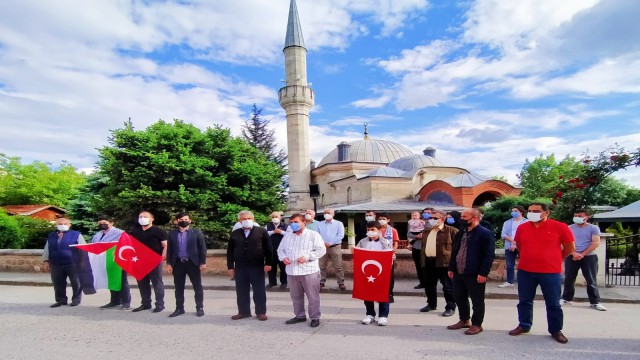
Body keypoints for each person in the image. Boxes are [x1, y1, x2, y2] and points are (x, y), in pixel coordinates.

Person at [509, 203, 575, 344]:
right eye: (530, 211)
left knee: (553, 303)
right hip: (526, 270)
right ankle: (524, 325)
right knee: (525, 301)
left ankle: (556, 330)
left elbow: (570, 247)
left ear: (546, 213)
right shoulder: (523, 227)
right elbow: (519, 245)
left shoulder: (560, 226)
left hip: (550, 272)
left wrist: (557, 258)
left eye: (536, 211)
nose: (532, 213)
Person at [447, 209, 495, 335]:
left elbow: (489, 255)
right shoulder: (461, 232)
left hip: (475, 272)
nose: (461, 219)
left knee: (477, 300)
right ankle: (464, 320)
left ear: (474, 218)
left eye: (464, 217)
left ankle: (477, 324)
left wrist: (483, 273)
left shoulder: (484, 233)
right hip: (459, 271)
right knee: (459, 297)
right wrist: (451, 268)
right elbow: (455, 251)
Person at [277, 213, 326, 328]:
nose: (293, 224)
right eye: (292, 222)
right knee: (296, 296)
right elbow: (280, 250)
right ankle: (299, 316)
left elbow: (321, 250)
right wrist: (283, 258)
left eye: (296, 222)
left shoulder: (313, 235)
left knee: (312, 296)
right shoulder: (288, 236)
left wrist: (308, 257)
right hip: (292, 271)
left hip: (309, 271)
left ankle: (314, 317)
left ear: (304, 222)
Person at [227, 210, 272, 321]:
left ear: (253, 219)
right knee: (241, 290)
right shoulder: (235, 233)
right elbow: (230, 251)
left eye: (249, 218)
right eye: (244, 219)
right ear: (239, 221)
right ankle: (243, 311)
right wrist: (230, 266)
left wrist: (268, 263)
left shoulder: (261, 231)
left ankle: (261, 312)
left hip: (256, 266)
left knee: (259, 290)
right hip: (240, 267)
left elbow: (269, 248)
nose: (246, 221)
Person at [561, 209, 606, 311]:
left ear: (587, 217)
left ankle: (595, 302)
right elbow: (565, 242)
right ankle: (566, 298)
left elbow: (596, 243)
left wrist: (582, 254)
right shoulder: (570, 228)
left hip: (589, 256)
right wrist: (573, 253)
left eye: (580, 216)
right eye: (576, 215)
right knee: (569, 278)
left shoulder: (593, 228)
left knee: (591, 280)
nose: (577, 217)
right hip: (572, 255)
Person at [166, 212, 207, 318]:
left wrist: (203, 262)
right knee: (178, 287)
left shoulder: (196, 232)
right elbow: (169, 250)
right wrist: (169, 263)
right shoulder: (172, 234)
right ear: (177, 221)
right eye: (181, 219)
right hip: (178, 263)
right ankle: (179, 308)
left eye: (185, 219)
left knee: (197, 286)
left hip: (192, 263)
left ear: (189, 220)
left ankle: (199, 308)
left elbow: (202, 248)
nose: (183, 221)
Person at [418, 210, 458, 317]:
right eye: (430, 218)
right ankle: (431, 304)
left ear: (443, 219)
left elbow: (458, 248)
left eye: (435, 218)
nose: (432, 220)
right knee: (429, 285)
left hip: (444, 263)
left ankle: (450, 307)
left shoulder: (452, 231)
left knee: (447, 286)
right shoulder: (426, 231)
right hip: (428, 261)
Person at [42, 216, 86, 307]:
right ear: (56, 225)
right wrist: (46, 261)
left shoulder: (76, 234)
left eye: (65, 224)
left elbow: (83, 248)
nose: (62, 225)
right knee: (58, 283)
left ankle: (76, 300)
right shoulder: (51, 235)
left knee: (76, 282)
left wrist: (83, 261)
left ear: (69, 225)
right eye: (60, 224)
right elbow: (47, 248)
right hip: (56, 263)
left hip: (73, 262)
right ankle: (61, 300)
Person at [356, 221, 394, 326]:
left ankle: (383, 315)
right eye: (368, 230)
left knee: (383, 293)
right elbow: (357, 254)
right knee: (367, 293)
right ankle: (370, 314)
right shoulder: (362, 242)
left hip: (382, 272)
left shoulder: (385, 242)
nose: (370, 232)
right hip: (367, 272)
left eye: (373, 230)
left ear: (379, 230)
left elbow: (391, 255)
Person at [130, 211, 168, 313]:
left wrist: (164, 254)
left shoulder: (158, 231)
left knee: (157, 282)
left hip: (154, 260)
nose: (142, 218)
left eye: (145, 217)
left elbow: (165, 245)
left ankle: (160, 305)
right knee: (142, 283)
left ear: (152, 219)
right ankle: (146, 304)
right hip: (139, 261)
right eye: (140, 217)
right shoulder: (136, 231)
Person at [91, 215, 131, 310]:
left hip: (118, 260)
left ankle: (126, 302)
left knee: (122, 281)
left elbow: (126, 245)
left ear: (111, 223)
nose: (102, 225)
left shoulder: (120, 233)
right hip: (105, 261)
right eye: (100, 223)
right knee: (111, 280)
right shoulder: (97, 235)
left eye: (105, 223)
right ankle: (115, 301)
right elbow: (93, 246)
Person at [317, 208, 346, 290]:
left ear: (333, 214)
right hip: (322, 247)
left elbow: (340, 235)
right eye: (325, 213)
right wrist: (323, 243)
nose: (326, 214)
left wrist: (330, 243)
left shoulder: (338, 223)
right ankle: (321, 282)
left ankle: (341, 282)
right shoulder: (320, 224)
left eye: (328, 212)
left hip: (335, 247)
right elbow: (317, 235)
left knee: (338, 266)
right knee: (321, 265)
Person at [499, 206, 528, 288]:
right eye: (512, 211)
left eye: (515, 211)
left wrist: (516, 243)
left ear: (521, 212)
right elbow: (503, 234)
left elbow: (527, 235)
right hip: (509, 246)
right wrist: (513, 242)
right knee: (509, 264)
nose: (513, 212)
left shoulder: (527, 222)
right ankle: (509, 281)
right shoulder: (507, 222)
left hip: (523, 246)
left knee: (524, 264)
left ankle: (524, 280)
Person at [377, 213, 399, 303]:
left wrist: (393, 250)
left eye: (383, 218)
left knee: (390, 276)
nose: (381, 220)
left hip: (388, 255)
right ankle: (380, 294)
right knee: (379, 275)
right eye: (380, 218)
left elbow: (396, 242)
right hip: (378, 255)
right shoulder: (376, 230)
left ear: (388, 220)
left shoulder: (393, 230)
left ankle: (390, 294)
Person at [266, 211, 288, 289]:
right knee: (271, 267)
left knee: (283, 267)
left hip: (282, 249)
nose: (275, 219)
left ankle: (284, 282)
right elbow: (265, 234)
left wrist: (281, 232)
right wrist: (273, 232)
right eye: (273, 217)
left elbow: (289, 235)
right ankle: (272, 282)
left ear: (280, 218)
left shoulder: (285, 226)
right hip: (271, 249)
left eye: (276, 217)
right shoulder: (268, 225)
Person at [407, 211, 427, 289]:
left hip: (426, 248)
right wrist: (416, 237)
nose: (414, 216)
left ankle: (429, 283)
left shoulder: (424, 223)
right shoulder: (411, 223)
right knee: (418, 266)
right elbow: (408, 234)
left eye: (416, 215)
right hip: (416, 248)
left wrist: (423, 235)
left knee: (426, 266)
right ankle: (422, 282)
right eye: (413, 215)